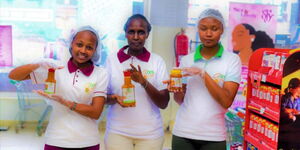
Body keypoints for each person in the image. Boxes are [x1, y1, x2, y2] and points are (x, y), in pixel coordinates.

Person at [8, 26, 107, 150]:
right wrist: (37, 63)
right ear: (71, 44)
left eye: (89, 47)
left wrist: (65, 102)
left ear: (95, 50)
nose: (83, 50)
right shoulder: (56, 68)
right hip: (56, 139)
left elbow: (96, 112)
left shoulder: (100, 73)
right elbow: (14, 75)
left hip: (88, 141)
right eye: (79, 44)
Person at [169, 9, 241, 150]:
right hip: (183, 133)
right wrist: (175, 89)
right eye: (203, 29)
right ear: (198, 30)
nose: (208, 33)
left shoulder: (232, 60)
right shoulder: (187, 60)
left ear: (222, 30)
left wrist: (203, 74)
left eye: (214, 29)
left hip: (214, 136)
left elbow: (226, 101)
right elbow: (180, 100)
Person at [104, 14, 170, 150]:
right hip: (117, 132)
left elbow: (163, 103)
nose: (135, 37)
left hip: (150, 135)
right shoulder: (112, 60)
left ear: (147, 34)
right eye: (131, 32)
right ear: (125, 34)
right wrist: (114, 98)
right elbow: (102, 98)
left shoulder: (157, 61)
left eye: (141, 32)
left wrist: (143, 82)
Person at [279, 78, 300, 149]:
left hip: (294, 125)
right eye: (299, 88)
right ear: (293, 88)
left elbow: (298, 111)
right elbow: (282, 109)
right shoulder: (286, 97)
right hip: (285, 124)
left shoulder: (298, 100)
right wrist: (292, 110)